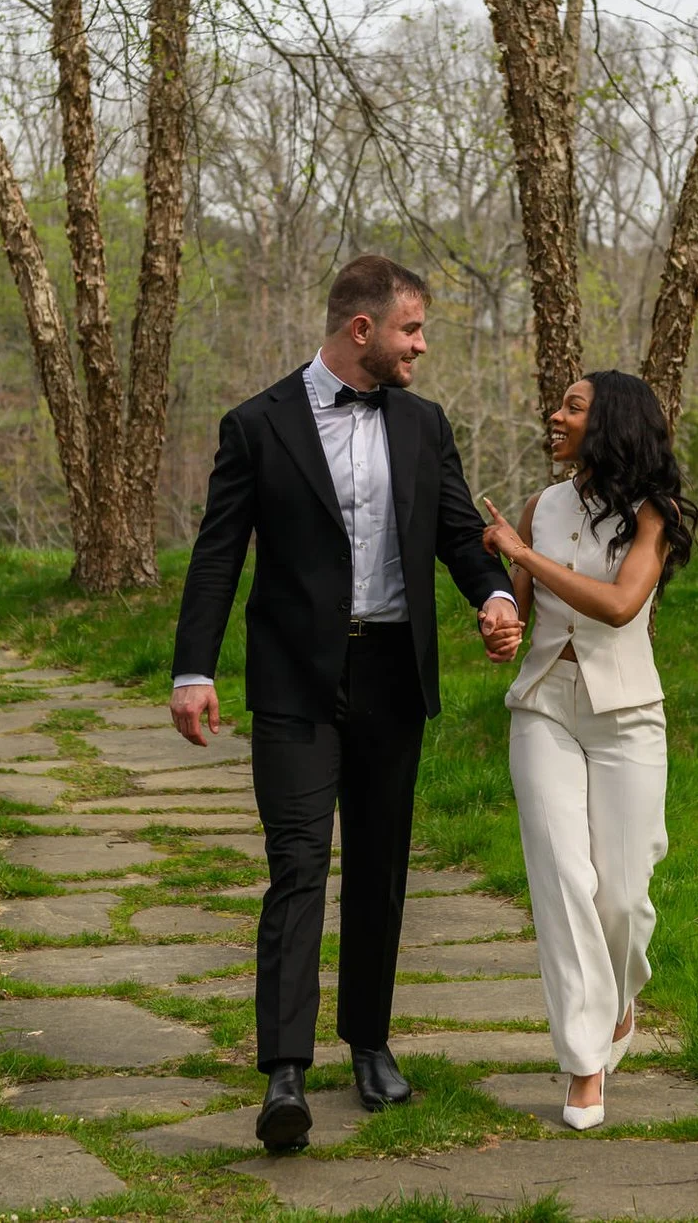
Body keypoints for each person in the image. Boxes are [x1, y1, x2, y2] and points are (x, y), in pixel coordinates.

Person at [170, 255, 523, 1153]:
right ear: (361, 329)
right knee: (297, 867)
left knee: (380, 867)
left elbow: (454, 531)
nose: (422, 345)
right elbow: (219, 556)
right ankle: (284, 1071)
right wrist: (192, 669)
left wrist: (493, 595)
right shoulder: (257, 425)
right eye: (412, 329)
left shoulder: (424, 423)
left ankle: (369, 1042)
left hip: (393, 679)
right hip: (294, 682)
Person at [479, 369, 698, 1131]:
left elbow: (617, 605)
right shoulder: (543, 505)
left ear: (610, 422)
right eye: (560, 402)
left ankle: (620, 998)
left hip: (628, 716)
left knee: (623, 896)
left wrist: (521, 552)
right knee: (563, 878)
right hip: (544, 706)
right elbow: (519, 612)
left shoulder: (652, 513)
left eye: (573, 406)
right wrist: (501, 626)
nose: (556, 413)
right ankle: (582, 1063)